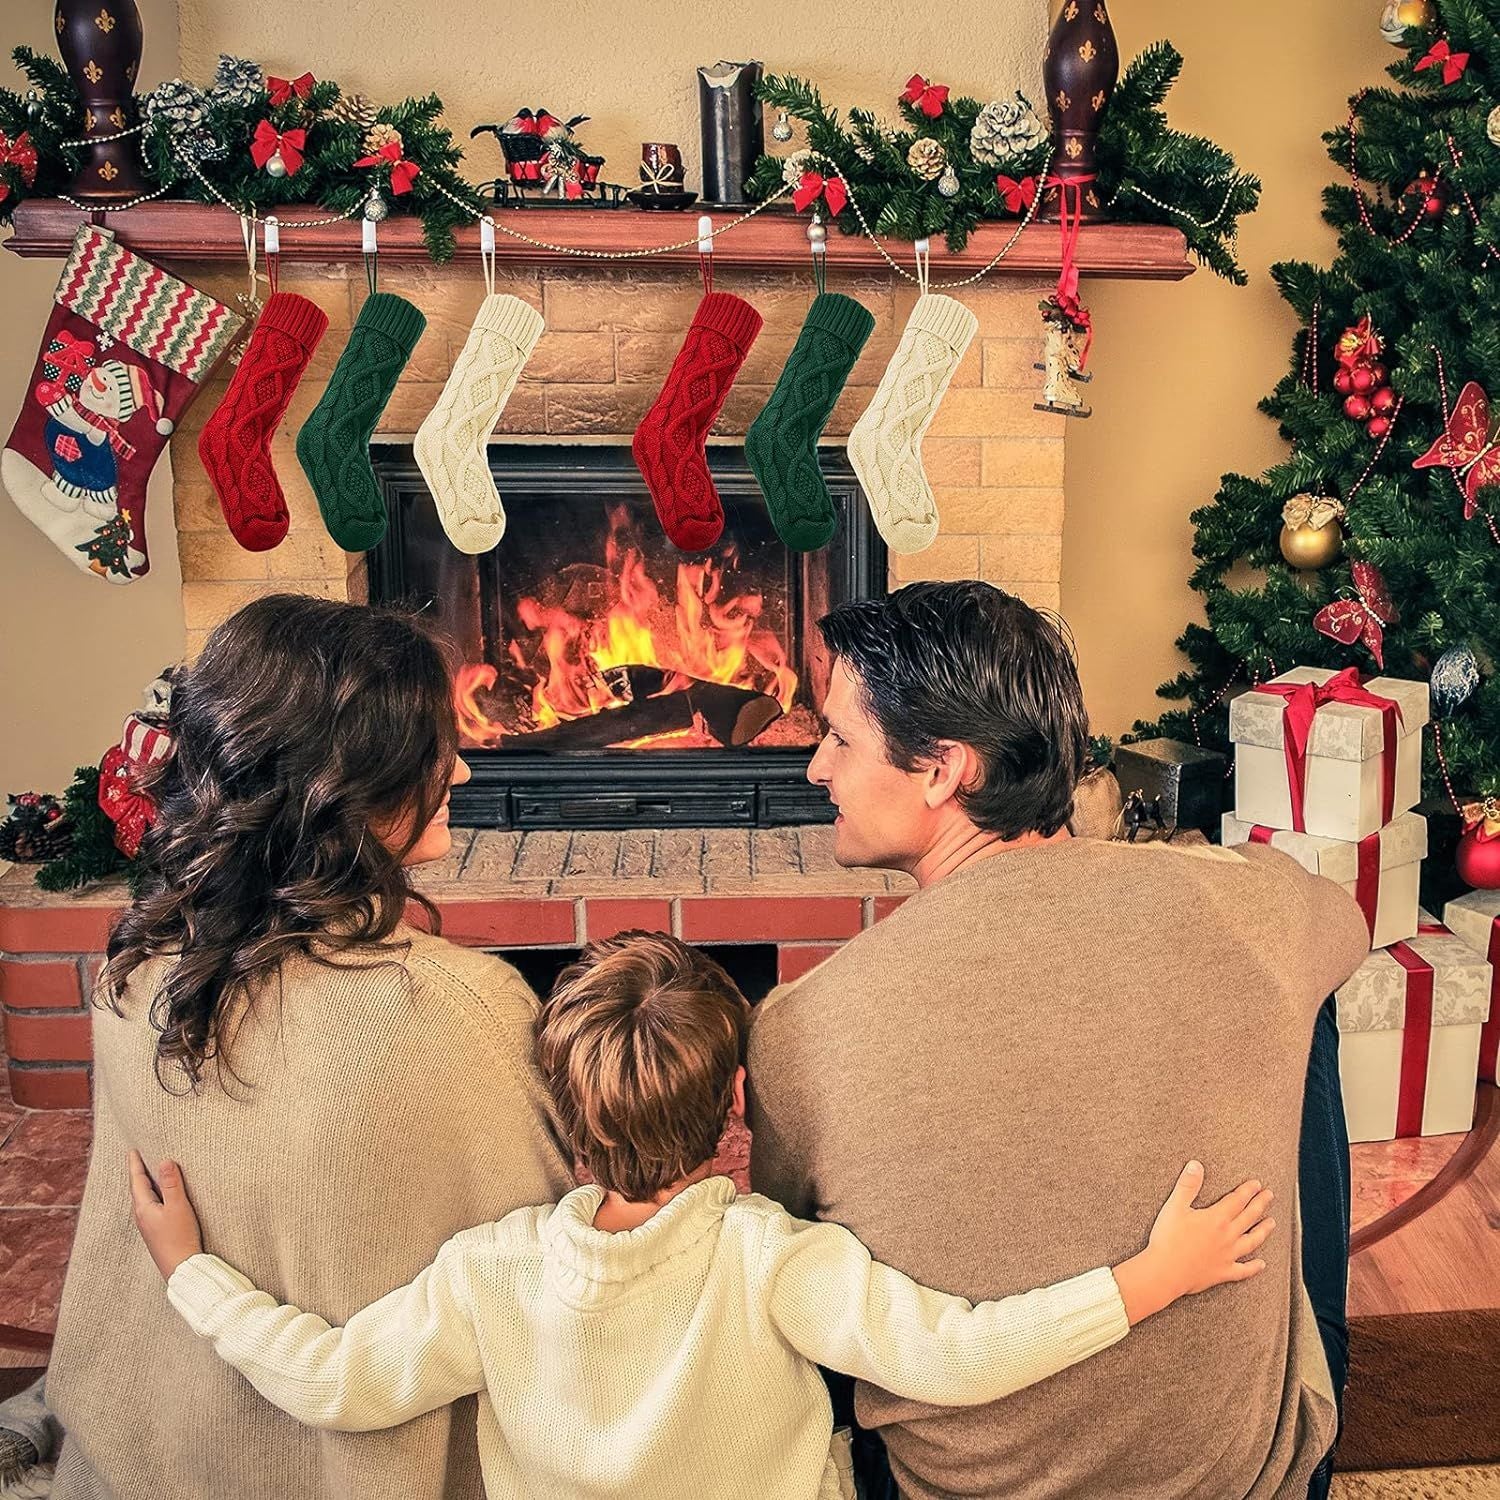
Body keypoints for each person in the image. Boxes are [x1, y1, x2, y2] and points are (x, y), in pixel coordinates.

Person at [129, 933, 1277, 1500]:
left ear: (559, 1111)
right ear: (736, 1100)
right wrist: (1152, 1277)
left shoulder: (489, 1272)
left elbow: (333, 1379)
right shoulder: (770, 1259)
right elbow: (957, 1352)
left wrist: (193, 1273)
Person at [749, 582, 1372, 1500]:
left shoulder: (799, 1028)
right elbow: (1347, 925)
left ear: (942, 770)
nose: (815, 768)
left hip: (949, 1489)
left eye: (840, 737)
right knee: (1300, 1003)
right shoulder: (1250, 903)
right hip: (1245, 1480)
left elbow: (794, 1266)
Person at [47, 596, 573, 1500]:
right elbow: (557, 1263)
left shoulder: (130, 980)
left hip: (148, 1455)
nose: (463, 772)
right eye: (431, 750)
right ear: (348, 784)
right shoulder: (456, 1008)